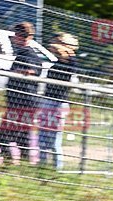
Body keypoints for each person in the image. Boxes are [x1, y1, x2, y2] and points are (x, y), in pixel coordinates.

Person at [0, 22, 43, 164]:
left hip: (22, 103)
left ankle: (8, 162)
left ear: (17, 36)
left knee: (3, 136)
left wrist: (12, 73)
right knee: (22, 136)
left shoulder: (28, 53)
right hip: (23, 102)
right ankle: (22, 164)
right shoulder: (27, 53)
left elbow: (31, 71)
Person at [38, 33, 79, 170]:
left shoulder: (71, 62)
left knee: (55, 140)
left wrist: (58, 46)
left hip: (58, 103)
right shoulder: (57, 62)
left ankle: (57, 169)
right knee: (42, 138)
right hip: (47, 100)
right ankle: (42, 167)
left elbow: (68, 61)